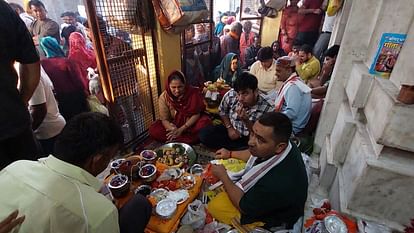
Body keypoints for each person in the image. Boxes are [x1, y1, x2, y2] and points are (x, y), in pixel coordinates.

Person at [0, 112, 152, 233]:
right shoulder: (100, 213)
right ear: (96, 160)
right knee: (139, 203)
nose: (109, 163)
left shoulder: (15, 168)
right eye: (110, 158)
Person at [207, 112, 308, 230]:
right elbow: (252, 155)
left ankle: (252, 226)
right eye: (253, 134)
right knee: (230, 162)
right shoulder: (285, 144)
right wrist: (229, 154)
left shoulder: (275, 184)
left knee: (215, 206)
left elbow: (243, 206)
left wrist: (223, 176)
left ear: (280, 147)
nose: (250, 142)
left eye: (260, 140)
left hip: (276, 218)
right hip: (272, 190)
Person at [0, 0, 40, 168]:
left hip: (13, 122)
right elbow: (32, 65)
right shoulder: (3, 11)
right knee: (33, 182)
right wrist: (20, 101)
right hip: (12, 120)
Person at [199, 72, 273, 150]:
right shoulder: (231, 94)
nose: (240, 98)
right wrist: (229, 128)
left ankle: (238, 151)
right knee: (204, 134)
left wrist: (246, 121)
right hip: (231, 130)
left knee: (259, 148)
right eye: (238, 93)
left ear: (256, 92)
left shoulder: (267, 109)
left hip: (250, 137)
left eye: (245, 93)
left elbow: (261, 136)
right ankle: (237, 151)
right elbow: (222, 111)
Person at [149, 70, 211, 144]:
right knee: (154, 129)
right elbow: (164, 119)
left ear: (185, 85)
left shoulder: (192, 93)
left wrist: (181, 129)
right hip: (174, 124)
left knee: (205, 123)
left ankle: (177, 139)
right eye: (173, 87)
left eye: (180, 87)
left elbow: (196, 114)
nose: (177, 90)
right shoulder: (164, 97)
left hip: (190, 123)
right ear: (168, 86)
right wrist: (172, 129)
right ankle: (184, 139)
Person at [40, 36, 90, 121]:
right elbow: (78, 80)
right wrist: (85, 91)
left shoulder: (43, 64)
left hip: (59, 98)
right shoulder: (67, 61)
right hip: (76, 96)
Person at [29, 66, 66, 155]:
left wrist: (27, 132)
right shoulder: (37, 68)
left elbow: (39, 110)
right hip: (53, 125)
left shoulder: (28, 74)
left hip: (47, 132)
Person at [275, 56, 312, 135]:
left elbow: (292, 113)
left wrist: (273, 117)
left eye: (278, 71)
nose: (276, 74)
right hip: (289, 123)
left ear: (288, 70)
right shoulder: (294, 81)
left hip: (292, 128)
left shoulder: (293, 86)